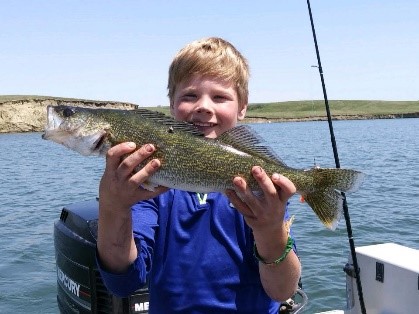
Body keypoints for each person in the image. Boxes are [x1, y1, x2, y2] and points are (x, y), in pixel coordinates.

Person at [96, 37, 301, 313]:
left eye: (220, 97)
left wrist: (270, 231)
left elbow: (282, 290)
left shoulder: (261, 192)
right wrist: (113, 206)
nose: (204, 106)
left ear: (242, 106)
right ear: (171, 105)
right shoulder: (149, 182)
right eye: (190, 96)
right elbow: (123, 281)